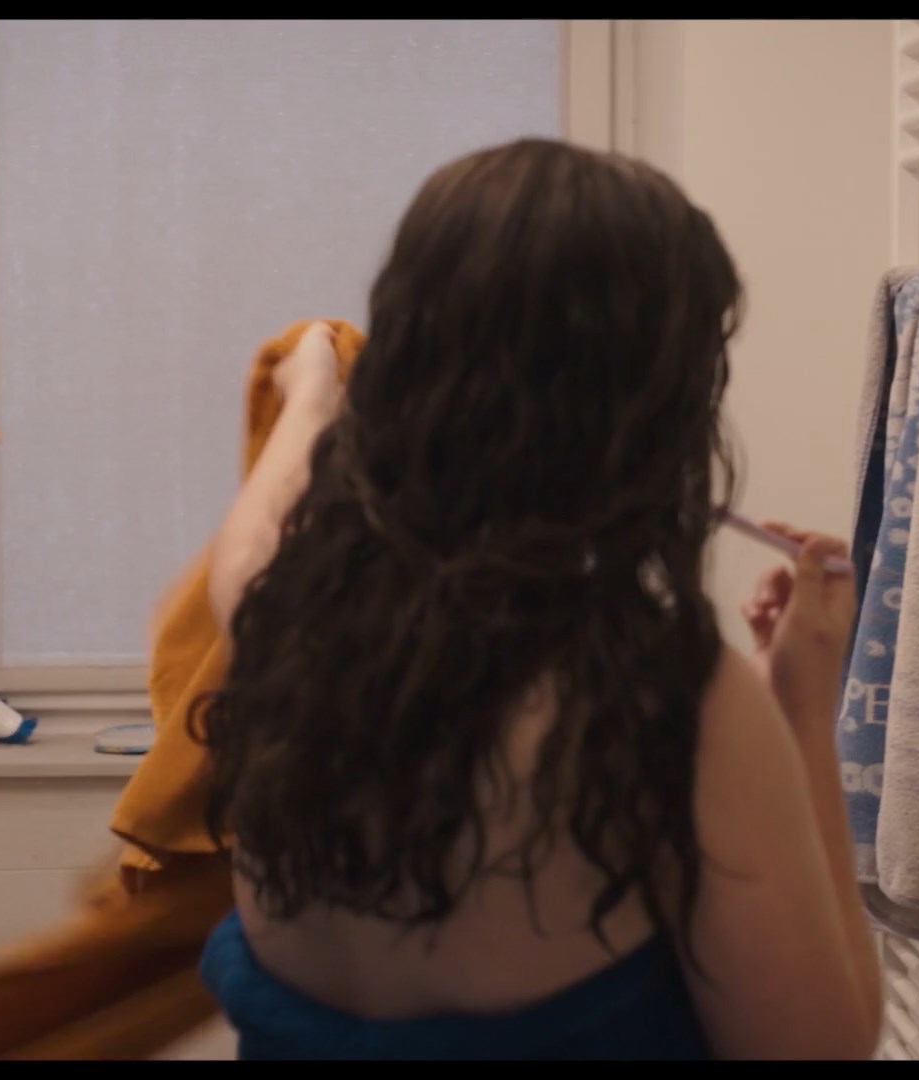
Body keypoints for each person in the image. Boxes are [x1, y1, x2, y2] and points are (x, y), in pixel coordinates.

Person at [190, 139, 882, 1059]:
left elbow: (260, 522)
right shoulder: (671, 708)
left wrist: (312, 384)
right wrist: (802, 704)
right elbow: (824, 1050)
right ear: (652, 412)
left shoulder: (278, 619)